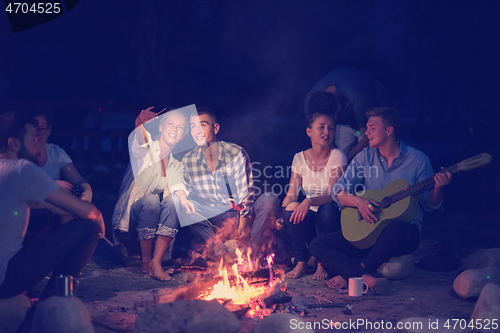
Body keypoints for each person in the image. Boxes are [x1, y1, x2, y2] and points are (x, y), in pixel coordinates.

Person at [309, 107, 452, 293]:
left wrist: (438, 188)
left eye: (371, 127)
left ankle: (352, 274)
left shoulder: (418, 160)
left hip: (402, 234)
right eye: (366, 128)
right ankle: (365, 276)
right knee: (317, 244)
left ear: (389, 130)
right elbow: (338, 189)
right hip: (368, 231)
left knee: (393, 230)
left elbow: (429, 204)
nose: (365, 132)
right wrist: (359, 202)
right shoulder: (364, 157)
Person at [0, 112, 104, 300]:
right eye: (33, 140)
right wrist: (95, 215)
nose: (38, 147)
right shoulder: (21, 169)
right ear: (14, 144)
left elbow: (51, 205)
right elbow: (86, 211)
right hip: (5, 278)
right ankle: (53, 303)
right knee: (88, 228)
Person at [175, 107, 279, 260]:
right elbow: (188, 194)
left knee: (270, 198)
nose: (197, 131)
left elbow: (247, 191)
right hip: (215, 219)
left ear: (215, 128)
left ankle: (253, 255)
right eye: (193, 127)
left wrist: (243, 221)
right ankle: (223, 254)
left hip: (240, 212)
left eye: (202, 125)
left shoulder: (235, 153)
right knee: (181, 204)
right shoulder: (189, 160)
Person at [112, 107, 189, 281]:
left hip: (154, 235)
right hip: (130, 230)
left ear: (183, 135)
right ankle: (146, 261)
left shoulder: (177, 165)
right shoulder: (147, 150)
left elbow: (179, 190)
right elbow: (139, 144)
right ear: (160, 127)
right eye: (170, 124)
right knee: (152, 200)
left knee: (174, 199)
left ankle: (156, 262)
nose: (174, 129)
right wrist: (139, 125)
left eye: (180, 127)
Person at [282, 111, 347, 280]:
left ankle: (322, 264)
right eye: (321, 127)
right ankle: (302, 262)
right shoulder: (299, 158)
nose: (327, 132)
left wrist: (309, 200)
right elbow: (291, 194)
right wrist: (282, 214)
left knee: (326, 209)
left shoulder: (337, 156)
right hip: (309, 215)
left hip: (332, 214)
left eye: (331, 128)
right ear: (309, 131)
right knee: (290, 208)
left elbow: (333, 194)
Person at [24, 112, 93, 243]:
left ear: (48, 130)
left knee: (72, 194)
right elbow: (20, 186)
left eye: (41, 130)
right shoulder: (20, 154)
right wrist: (51, 185)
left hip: (54, 205)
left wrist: (86, 196)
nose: (37, 135)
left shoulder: (56, 153)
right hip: (31, 203)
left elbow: (77, 180)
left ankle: (65, 244)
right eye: (33, 130)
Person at [304, 68, 388, 161]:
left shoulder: (358, 98)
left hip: (373, 106)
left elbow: (368, 136)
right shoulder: (310, 102)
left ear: (338, 106)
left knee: (371, 153)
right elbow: (315, 137)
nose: (327, 130)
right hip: (346, 120)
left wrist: (345, 160)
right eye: (322, 125)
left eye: (331, 124)